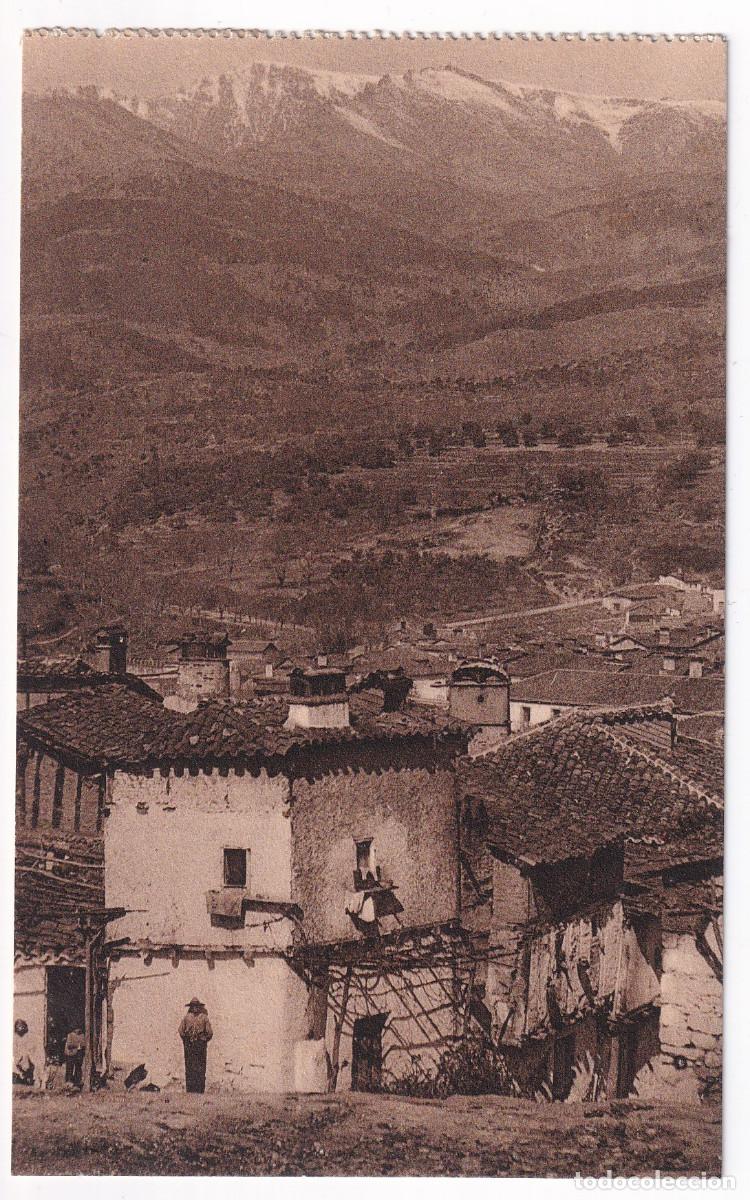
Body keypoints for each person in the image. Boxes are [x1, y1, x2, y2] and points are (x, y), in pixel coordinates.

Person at [178, 999, 213, 1093]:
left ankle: (200, 1089)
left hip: (200, 1046)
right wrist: (186, 1040)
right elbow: (181, 1030)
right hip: (189, 1045)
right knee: (189, 1067)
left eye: (197, 1006)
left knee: (200, 1067)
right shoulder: (186, 1018)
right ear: (190, 1007)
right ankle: (190, 1089)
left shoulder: (204, 1018)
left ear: (199, 1007)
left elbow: (209, 1032)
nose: (195, 1008)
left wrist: (203, 1040)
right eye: (193, 1006)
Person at [12, 1019, 35, 1087]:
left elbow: (30, 1049)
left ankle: (27, 1079)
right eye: (18, 1026)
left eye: (22, 1026)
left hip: (26, 1058)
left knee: (28, 1064)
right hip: (17, 1058)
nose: (20, 1028)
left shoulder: (27, 1037)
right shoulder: (15, 1038)